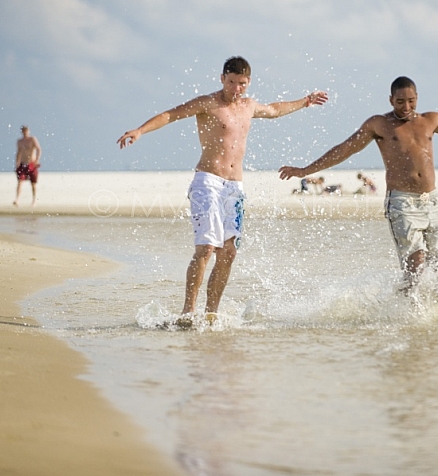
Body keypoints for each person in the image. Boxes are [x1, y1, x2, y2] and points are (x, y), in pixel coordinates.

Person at [279, 76, 438, 302]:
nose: (406, 107)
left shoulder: (430, 120)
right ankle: (404, 311)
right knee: (416, 264)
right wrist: (304, 171)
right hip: (402, 203)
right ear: (391, 100)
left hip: (433, 201)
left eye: (411, 101)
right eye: (400, 101)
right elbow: (344, 150)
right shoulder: (378, 125)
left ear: (417, 98)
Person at [118, 56, 328, 326]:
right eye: (231, 82)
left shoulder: (249, 106)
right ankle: (187, 312)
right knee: (206, 248)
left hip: (235, 188)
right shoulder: (208, 103)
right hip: (207, 181)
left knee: (228, 252)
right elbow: (172, 114)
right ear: (222, 79)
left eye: (241, 84)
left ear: (248, 82)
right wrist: (140, 130)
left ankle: (211, 313)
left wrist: (305, 101)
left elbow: (275, 110)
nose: (236, 89)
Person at [14, 125, 41, 206]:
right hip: (23, 163)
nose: (25, 132)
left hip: (31, 163)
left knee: (33, 183)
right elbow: (18, 152)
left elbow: (38, 149)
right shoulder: (20, 141)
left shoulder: (32, 139)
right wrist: (17, 163)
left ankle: (34, 200)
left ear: (28, 131)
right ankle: (17, 199)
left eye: (26, 131)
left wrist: (37, 160)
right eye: (23, 131)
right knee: (20, 181)